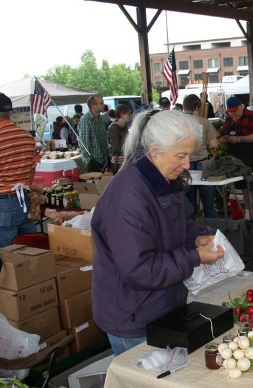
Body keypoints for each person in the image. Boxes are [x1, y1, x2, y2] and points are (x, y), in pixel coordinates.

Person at [91, 110, 225, 356]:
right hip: (134, 316)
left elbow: (179, 225)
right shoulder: (127, 195)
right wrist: (195, 257)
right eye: (181, 156)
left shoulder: (166, 180)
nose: (187, 164)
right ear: (154, 151)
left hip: (163, 306)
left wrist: (195, 236)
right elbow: (139, 270)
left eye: (189, 155)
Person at [0, 92, 37, 247]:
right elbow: (32, 170)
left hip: (2, 204)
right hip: (23, 199)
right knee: (30, 249)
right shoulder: (27, 136)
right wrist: (24, 186)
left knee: (8, 254)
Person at [219, 97, 253, 221]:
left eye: (234, 111)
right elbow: (222, 134)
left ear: (241, 107)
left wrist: (239, 139)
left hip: (252, 158)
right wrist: (223, 139)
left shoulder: (252, 116)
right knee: (243, 187)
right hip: (235, 161)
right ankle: (248, 215)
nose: (232, 114)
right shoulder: (229, 120)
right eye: (230, 112)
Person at [183, 94, 219, 218]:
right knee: (208, 202)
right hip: (202, 164)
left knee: (188, 203)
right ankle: (212, 231)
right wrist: (206, 144)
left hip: (184, 165)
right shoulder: (204, 122)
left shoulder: (177, 122)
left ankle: (190, 233)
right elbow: (214, 144)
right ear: (197, 107)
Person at [79, 94, 109, 172]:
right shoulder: (86, 119)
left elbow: (104, 139)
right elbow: (84, 142)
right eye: (101, 103)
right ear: (93, 106)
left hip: (103, 160)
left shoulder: (101, 118)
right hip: (93, 161)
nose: (103, 105)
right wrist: (88, 161)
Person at [107, 103, 132, 173]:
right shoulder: (114, 128)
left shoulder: (124, 127)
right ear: (122, 115)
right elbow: (116, 147)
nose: (130, 115)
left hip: (124, 161)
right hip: (117, 163)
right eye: (128, 113)